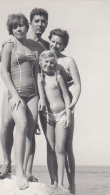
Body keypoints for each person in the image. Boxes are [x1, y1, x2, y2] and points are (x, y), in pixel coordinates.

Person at [0, 8, 49, 182]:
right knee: (10, 125)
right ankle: (9, 164)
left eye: (22, 26)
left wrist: (41, 97)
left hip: (32, 93)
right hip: (14, 91)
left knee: (29, 129)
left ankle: (26, 171)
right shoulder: (9, 43)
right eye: (16, 27)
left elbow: (40, 71)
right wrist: (15, 95)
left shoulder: (38, 46)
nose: (19, 29)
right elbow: (3, 68)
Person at [48, 28, 81, 194]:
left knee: (67, 148)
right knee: (52, 147)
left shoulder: (68, 60)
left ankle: (72, 185)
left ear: (64, 46)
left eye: (59, 43)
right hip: (48, 110)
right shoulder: (44, 57)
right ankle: (55, 183)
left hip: (65, 108)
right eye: (53, 41)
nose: (55, 45)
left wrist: (72, 104)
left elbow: (78, 84)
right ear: (49, 40)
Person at [39, 50, 71, 192]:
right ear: (40, 63)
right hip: (46, 116)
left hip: (61, 115)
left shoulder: (57, 78)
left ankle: (61, 183)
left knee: (60, 149)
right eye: (46, 62)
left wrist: (69, 114)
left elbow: (66, 96)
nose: (49, 64)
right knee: (50, 148)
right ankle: (53, 180)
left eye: (52, 62)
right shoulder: (39, 78)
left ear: (56, 64)